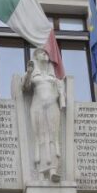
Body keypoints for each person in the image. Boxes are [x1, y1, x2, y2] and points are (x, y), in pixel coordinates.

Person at [23, 48, 65, 182]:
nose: (45, 54)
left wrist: (60, 95)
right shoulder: (33, 74)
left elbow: (60, 91)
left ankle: (53, 170)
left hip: (52, 106)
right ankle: (41, 172)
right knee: (40, 138)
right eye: (42, 53)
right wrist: (29, 73)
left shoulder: (53, 77)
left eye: (46, 53)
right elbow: (25, 87)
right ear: (36, 57)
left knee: (53, 137)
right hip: (38, 107)